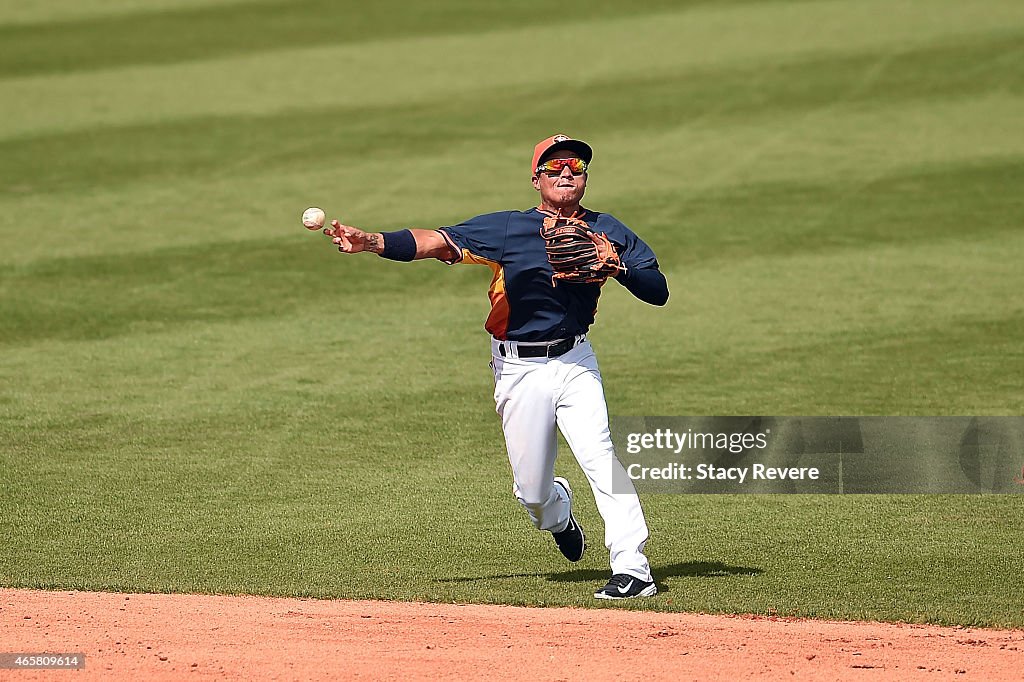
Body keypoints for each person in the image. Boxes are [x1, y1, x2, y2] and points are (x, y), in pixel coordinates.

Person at [321, 135, 669, 599]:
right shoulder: (508, 229)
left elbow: (658, 289)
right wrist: (373, 242)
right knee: (532, 493)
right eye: (554, 167)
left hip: (574, 360)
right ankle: (558, 513)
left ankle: (632, 567)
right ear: (536, 179)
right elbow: (437, 242)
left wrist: (619, 268)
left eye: (576, 167)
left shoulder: (608, 229)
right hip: (517, 370)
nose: (567, 173)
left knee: (600, 455)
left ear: (585, 178)